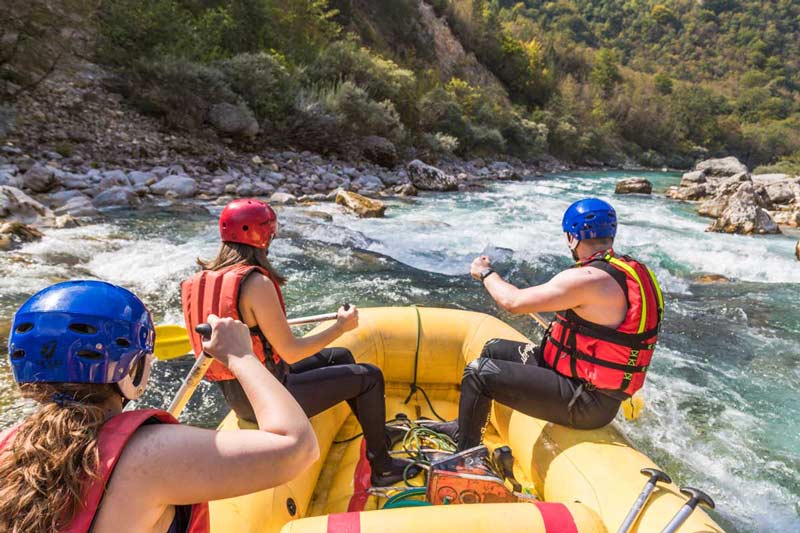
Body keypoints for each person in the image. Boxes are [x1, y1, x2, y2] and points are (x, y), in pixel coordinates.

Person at [0, 280, 319, 533]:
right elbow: (298, 446)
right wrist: (240, 355)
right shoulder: (150, 456)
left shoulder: (9, 446)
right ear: (134, 369)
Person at [182, 198, 417, 486]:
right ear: (266, 235)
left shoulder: (200, 281)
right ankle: (383, 467)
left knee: (340, 356)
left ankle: (378, 433)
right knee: (369, 377)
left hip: (240, 393)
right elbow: (291, 353)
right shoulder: (257, 284)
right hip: (266, 398)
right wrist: (340, 326)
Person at [428, 198, 664, 450]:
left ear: (572, 238)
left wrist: (485, 272)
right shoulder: (632, 271)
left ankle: (466, 456)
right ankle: (463, 429)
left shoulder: (585, 279)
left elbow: (513, 302)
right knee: (494, 348)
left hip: (586, 402)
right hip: (582, 382)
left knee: (479, 372)